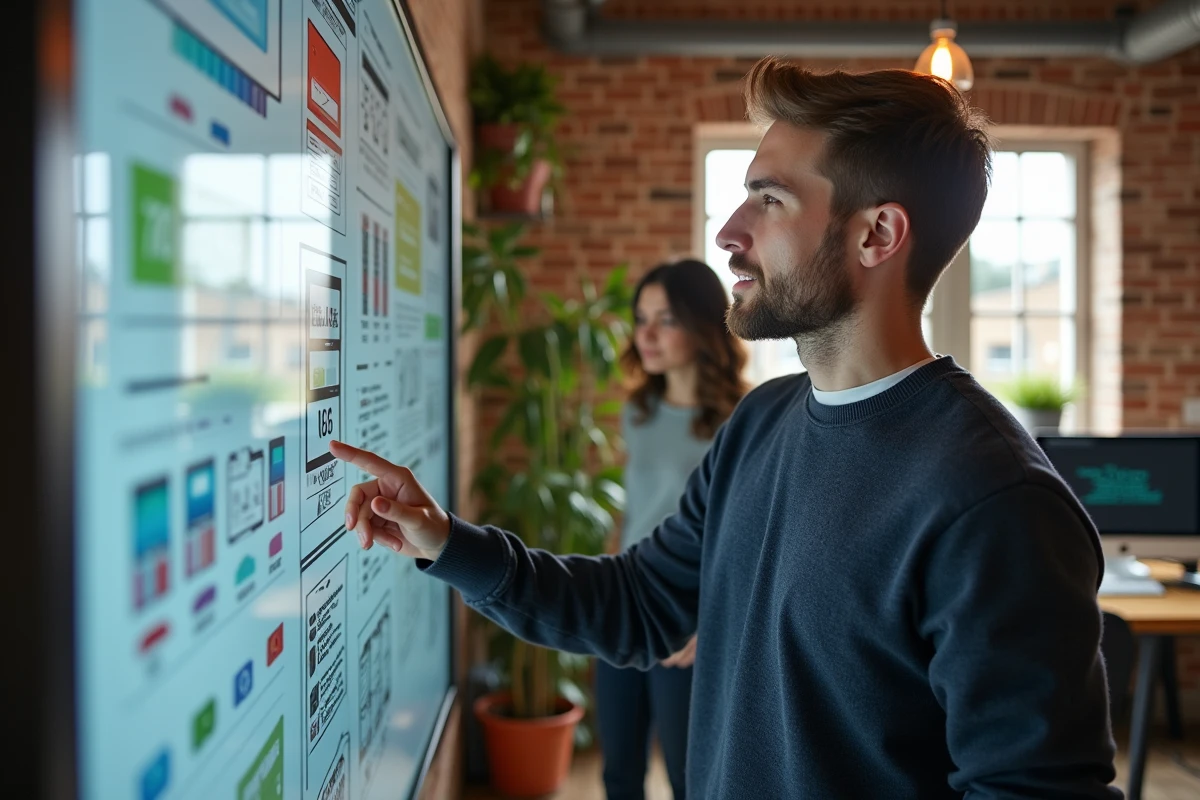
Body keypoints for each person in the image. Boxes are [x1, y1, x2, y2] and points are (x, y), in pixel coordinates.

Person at [331, 58, 1121, 799]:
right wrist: (444, 541)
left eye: (770, 200)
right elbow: (641, 604)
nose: (729, 232)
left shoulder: (995, 499)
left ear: (877, 235)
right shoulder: (759, 425)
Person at [598, 259, 748, 800]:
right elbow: (635, 510)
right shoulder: (636, 413)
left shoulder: (741, 419)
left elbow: (743, 539)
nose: (648, 335)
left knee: (690, 779)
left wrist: (709, 623)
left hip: (689, 623)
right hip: (626, 604)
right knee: (619, 773)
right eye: (641, 319)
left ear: (703, 324)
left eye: (666, 320)